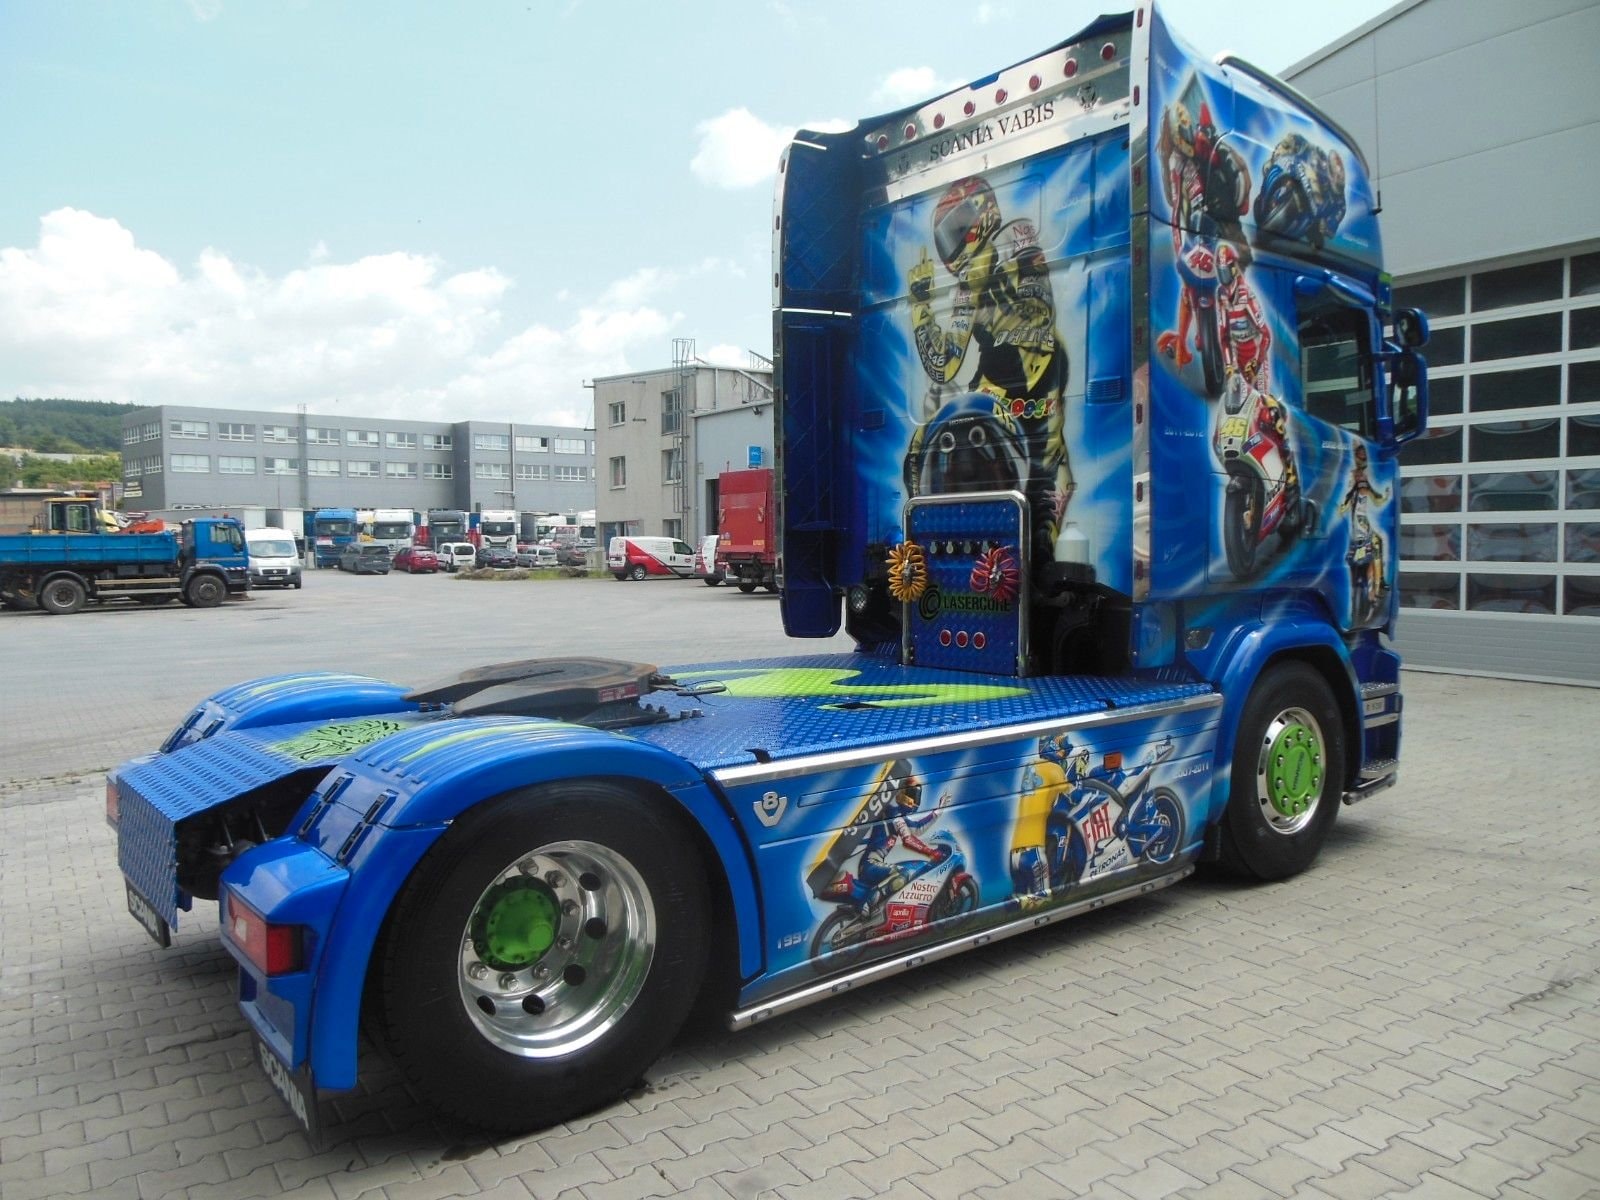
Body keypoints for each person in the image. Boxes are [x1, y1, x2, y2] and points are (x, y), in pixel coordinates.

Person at [907, 175, 1073, 556]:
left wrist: (924, 306)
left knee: (1041, 471)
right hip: (1017, 370)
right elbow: (946, 364)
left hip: (1024, 372)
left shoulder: (997, 253)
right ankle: (934, 532)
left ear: (980, 212)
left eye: (957, 227)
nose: (953, 242)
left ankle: (1037, 542)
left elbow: (945, 363)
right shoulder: (991, 263)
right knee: (929, 436)